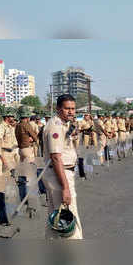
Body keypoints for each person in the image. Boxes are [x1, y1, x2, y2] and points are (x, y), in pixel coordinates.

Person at [42, 94, 83, 239]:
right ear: (59, 109)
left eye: (73, 108)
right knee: (69, 217)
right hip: (60, 175)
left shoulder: (64, 124)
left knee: (56, 217)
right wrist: (65, 188)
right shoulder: (56, 126)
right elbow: (55, 157)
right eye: (67, 109)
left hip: (62, 173)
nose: (71, 112)